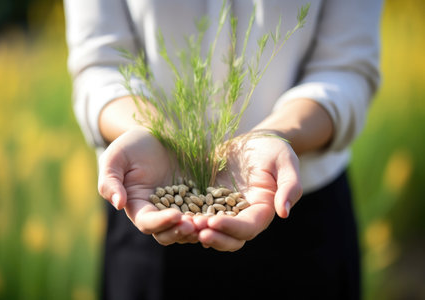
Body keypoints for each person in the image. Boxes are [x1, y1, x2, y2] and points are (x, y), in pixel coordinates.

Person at [63, 0, 382, 299]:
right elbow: (100, 66)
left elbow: (347, 67)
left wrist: (276, 134)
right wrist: (150, 131)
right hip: (148, 208)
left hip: (300, 218)